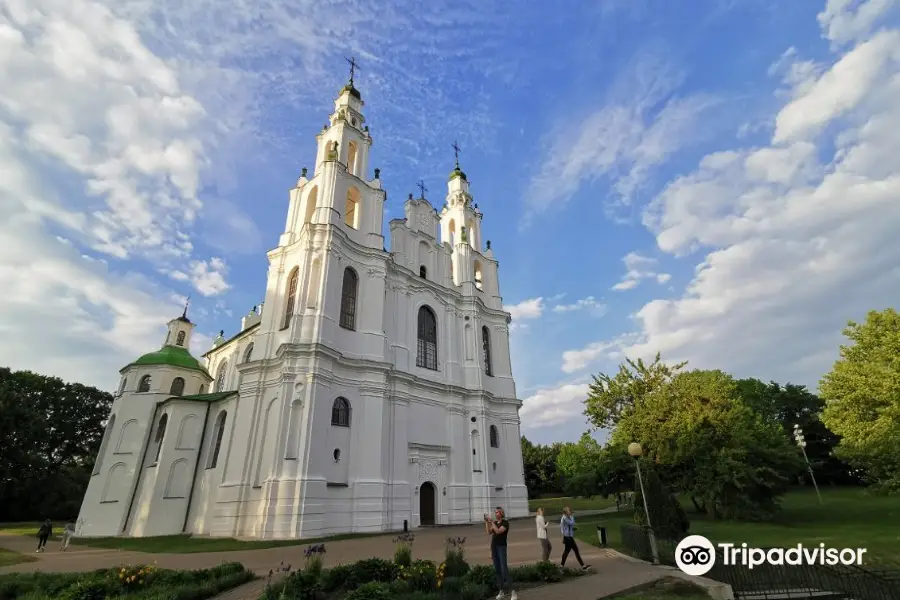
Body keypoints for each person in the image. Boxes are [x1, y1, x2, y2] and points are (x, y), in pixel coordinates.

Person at [485, 507, 517, 600]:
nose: (496, 514)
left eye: (497, 512)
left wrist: (491, 522)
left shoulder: (505, 523)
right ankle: (501, 591)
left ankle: (513, 592)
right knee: (497, 570)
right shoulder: (494, 523)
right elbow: (488, 532)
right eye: (495, 512)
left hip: (501, 548)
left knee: (504, 569)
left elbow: (498, 531)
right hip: (494, 548)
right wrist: (486, 522)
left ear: (501, 513)